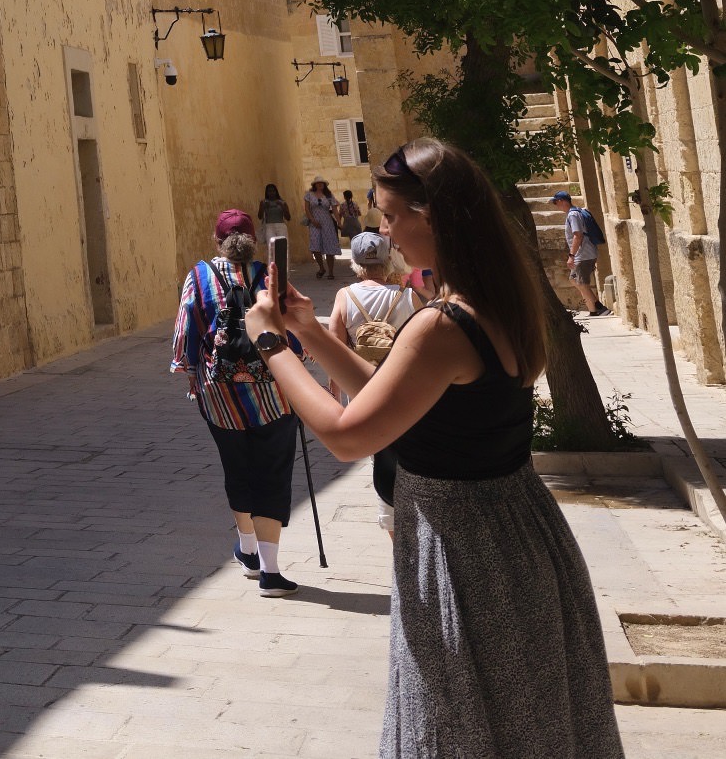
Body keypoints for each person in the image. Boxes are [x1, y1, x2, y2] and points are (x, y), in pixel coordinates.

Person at [245, 140, 622, 759]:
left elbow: (348, 435)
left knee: (455, 731)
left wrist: (269, 345)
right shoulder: (501, 302)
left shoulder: (441, 324)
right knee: (530, 727)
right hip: (519, 532)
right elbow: (393, 400)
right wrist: (308, 331)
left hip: (462, 549)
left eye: (392, 216)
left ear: (434, 218)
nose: (385, 233)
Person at [170, 209, 302, 596]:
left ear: (217, 242)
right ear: (254, 241)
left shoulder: (199, 277)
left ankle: (247, 550)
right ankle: (270, 571)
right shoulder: (271, 277)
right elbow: (293, 329)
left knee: (237, 468)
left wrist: (191, 373)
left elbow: (185, 333)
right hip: (272, 395)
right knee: (272, 473)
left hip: (220, 396)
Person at [325, 231, 422, 520]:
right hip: (403, 389)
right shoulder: (407, 296)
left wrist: (336, 398)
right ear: (388, 260)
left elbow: (335, 352)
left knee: (380, 456)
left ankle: (390, 515)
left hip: (362, 391)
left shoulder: (345, 296)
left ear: (355, 263)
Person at [554, 190, 611, 317]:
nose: (556, 206)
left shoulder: (573, 215)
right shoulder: (576, 212)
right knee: (574, 280)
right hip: (584, 253)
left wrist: (571, 256)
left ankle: (600, 308)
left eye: (555, 202)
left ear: (561, 201)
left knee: (580, 282)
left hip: (583, 254)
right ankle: (593, 310)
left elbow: (578, 235)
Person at [305, 180, 342, 280]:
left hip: (327, 223)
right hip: (314, 223)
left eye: (322, 183)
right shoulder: (309, 195)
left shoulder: (329, 195)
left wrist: (339, 222)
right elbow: (307, 209)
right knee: (315, 246)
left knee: (329, 246)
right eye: (318, 183)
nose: (320, 184)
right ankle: (321, 268)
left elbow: (334, 209)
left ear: (325, 185)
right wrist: (312, 220)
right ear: (314, 185)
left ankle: (331, 272)